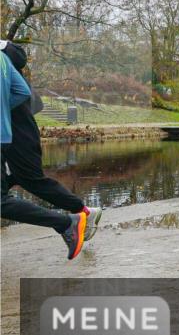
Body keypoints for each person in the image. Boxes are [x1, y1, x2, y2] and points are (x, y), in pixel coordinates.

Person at [0, 40, 102, 233]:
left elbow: (24, 92)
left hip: (18, 134)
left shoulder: (5, 63)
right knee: (20, 180)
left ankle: (83, 213)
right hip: (15, 132)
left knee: (30, 179)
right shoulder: (8, 64)